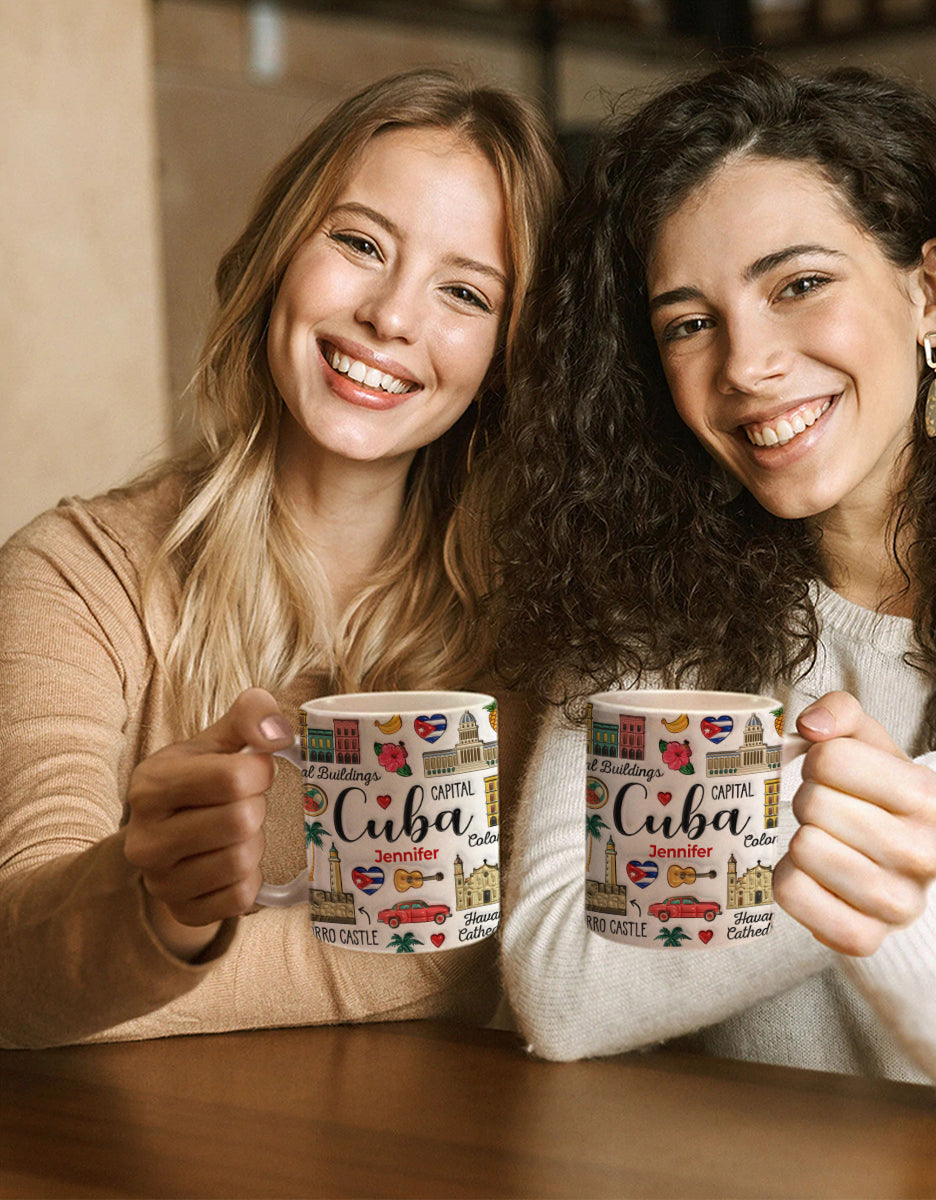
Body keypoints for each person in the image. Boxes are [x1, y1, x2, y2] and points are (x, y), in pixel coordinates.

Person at [490, 60, 936, 1111]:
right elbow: (561, 989)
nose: (746, 363)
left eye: (799, 285)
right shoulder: (644, 630)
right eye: (689, 322)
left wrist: (922, 810)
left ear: (931, 295)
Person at [0, 69, 563, 1048]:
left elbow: (482, 947)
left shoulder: (537, 624)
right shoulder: (74, 575)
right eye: (358, 243)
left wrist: (138, 971)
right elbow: (18, 966)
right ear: (277, 257)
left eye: (465, 292)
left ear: (508, 356)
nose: (391, 316)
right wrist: (158, 909)